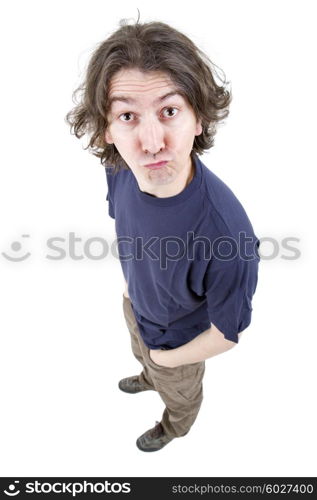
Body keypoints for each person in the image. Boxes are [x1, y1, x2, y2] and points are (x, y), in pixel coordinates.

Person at [65, 18, 261, 452]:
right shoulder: (118, 169)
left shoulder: (228, 237)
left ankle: (173, 425)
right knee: (142, 353)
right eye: (128, 116)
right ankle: (149, 375)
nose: (152, 142)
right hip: (138, 308)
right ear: (106, 130)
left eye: (169, 111)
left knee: (180, 395)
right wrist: (137, 301)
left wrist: (166, 359)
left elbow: (227, 335)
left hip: (180, 345)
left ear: (198, 118)